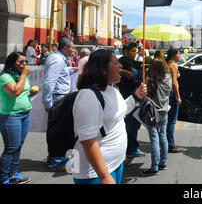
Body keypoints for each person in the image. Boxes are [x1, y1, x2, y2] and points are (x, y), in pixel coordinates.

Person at [73, 49, 147, 184]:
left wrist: (136, 96)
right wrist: (104, 176)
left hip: (116, 164)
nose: (121, 66)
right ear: (103, 69)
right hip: (95, 173)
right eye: (116, 63)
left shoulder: (112, 89)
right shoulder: (87, 96)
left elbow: (120, 112)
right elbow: (87, 141)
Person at [0, 52, 38, 184]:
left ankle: (13, 173)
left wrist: (30, 93)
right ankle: (3, 177)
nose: (24, 64)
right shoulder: (5, 77)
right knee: (11, 147)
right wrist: (24, 74)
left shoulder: (20, 76)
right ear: (12, 63)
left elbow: (22, 91)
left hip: (25, 113)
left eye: (25, 62)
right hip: (11, 115)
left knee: (18, 146)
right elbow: (15, 92)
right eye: (20, 62)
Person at [42, 37, 77, 171]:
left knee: (60, 130)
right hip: (58, 98)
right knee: (58, 132)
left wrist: (69, 70)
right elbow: (50, 81)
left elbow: (59, 75)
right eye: (72, 48)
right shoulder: (57, 60)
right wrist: (48, 102)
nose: (74, 51)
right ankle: (56, 160)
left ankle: (55, 158)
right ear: (64, 48)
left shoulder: (59, 59)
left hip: (60, 97)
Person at [140, 59, 171, 176]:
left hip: (152, 112)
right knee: (163, 136)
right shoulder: (168, 78)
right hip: (164, 111)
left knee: (154, 139)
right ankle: (163, 163)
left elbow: (144, 96)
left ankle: (154, 167)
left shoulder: (149, 80)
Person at [116, 42, 145, 159]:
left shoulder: (129, 61)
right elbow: (135, 74)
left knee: (134, 124)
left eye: (135, 51)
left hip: (133, 97)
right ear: (126, 51)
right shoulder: (125, 61)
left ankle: (131, 147)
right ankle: (130, 149)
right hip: (128, 97)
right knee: (131, 125)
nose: (135, 53)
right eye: (133, 51)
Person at [166, 47, 185, 153]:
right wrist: (178, 97)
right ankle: (170, 144)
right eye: (178, 54)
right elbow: (174, 82)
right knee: (172, 120)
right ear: (173, 55)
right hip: (172, 95)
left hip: (167, 95)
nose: (180, 56)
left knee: (168, 120)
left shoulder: (167, 63)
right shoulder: (173, 65)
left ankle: (167, 142)